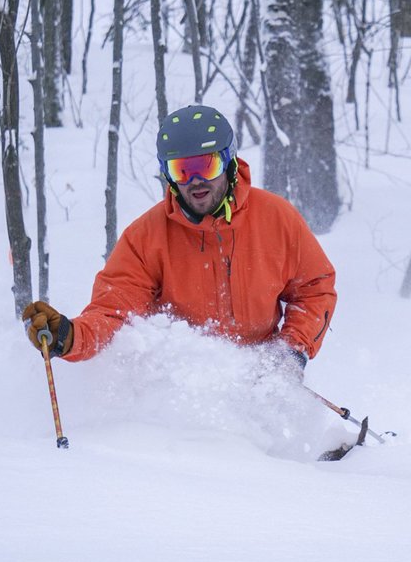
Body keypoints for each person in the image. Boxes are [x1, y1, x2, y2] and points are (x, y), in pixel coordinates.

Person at [23, 104, 336, 376]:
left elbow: (315, 290)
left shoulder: (276, 218)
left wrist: (289, 353)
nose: (195, 181)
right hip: (183, 379)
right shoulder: (147, 237)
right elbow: (113, 312)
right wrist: (71, 336)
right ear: (167, 173)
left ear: (228, 162)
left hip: (261, 372)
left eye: (206, 165)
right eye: (182, 170)